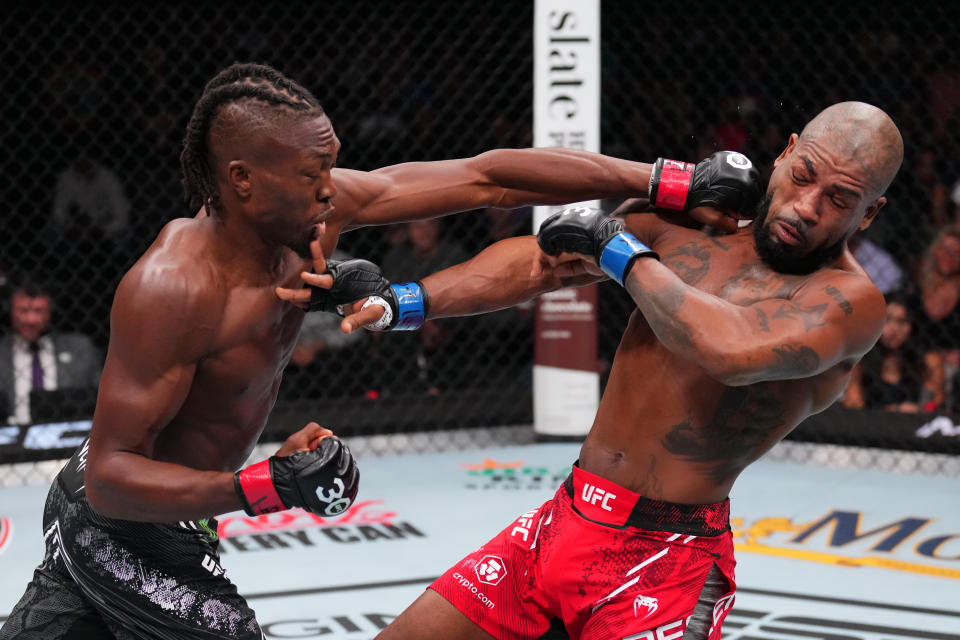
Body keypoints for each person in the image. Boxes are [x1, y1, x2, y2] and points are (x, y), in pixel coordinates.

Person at [0, 62, 751, 640]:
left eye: (332, 166)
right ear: (242, 182)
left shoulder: (315, 222)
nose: (334, 190)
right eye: (312, 175)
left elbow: (487, 178)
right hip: (116, 523)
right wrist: (265, 487)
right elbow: (111, 479)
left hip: (168, 512)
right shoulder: (172, 287)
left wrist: (664, 179)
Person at [306, 101, 902, 639]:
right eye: (803, 177)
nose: (806, 206)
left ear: (870, 212)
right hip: (564, 517)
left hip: (667, 558)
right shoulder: (696, 224)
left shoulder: (849, 303)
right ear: (785, 152)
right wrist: (408, 300)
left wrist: (620, 251)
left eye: (840, 200)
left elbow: (730, 350)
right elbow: (544, 263)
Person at [0, 279, 102, 425]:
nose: (31, 320)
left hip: (67, 430)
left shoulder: (79, 348)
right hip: (9, 435)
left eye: (38, 311)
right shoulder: (2, 352)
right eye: (23, 311)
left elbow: (98, 397)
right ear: (10, 311)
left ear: (49, 313)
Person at [843, 293, 945, 412]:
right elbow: (853, 404)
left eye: (901, 321)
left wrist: (922, 409)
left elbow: (935, 403)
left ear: (912, 325)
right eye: (887, 320)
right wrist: (895, 410)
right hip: (872, 426)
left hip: (917, 425)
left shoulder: (928, 361)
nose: (894, 329)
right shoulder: (859, 361)